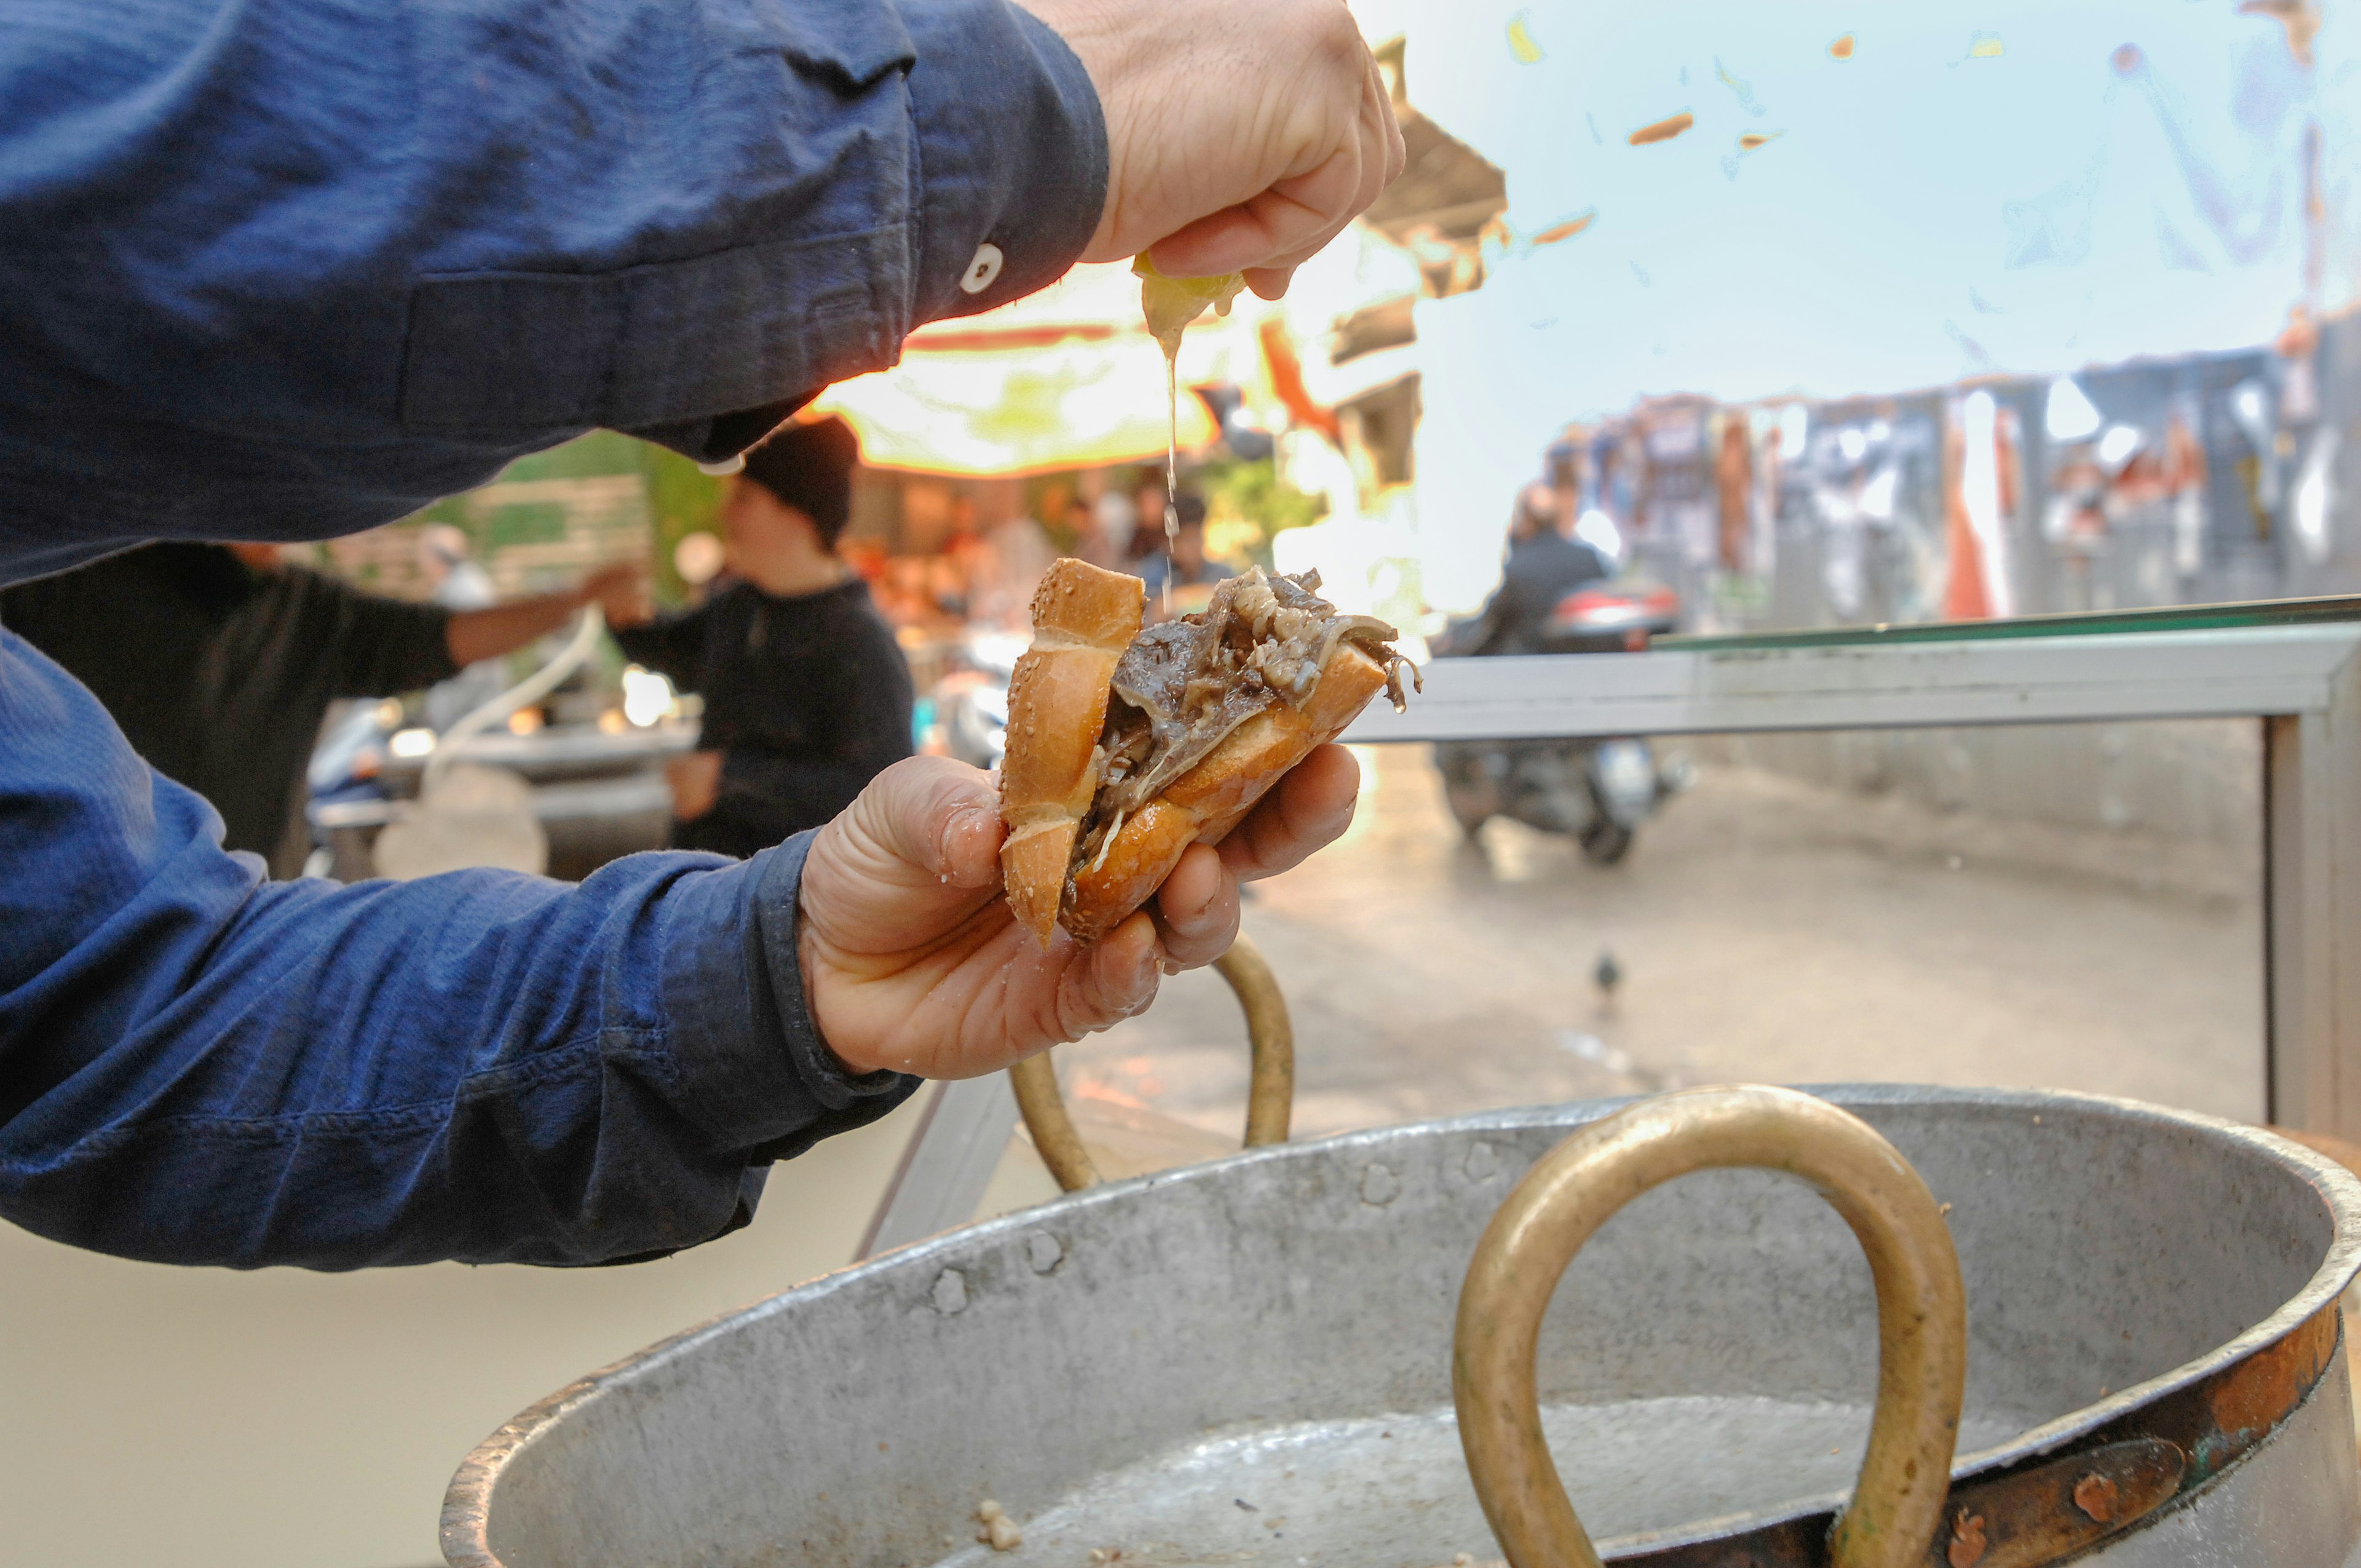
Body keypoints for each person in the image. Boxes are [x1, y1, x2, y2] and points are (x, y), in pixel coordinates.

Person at [0, 0, 1402, 1269]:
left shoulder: (844, 639)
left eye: (742, 503)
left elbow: (127, 1013)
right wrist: (1019, 118)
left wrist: (782, 975)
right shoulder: (729, 615)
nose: (722, 517)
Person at [0, 540, 646, 874]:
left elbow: (444, 641)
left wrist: (571, 601)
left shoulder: (308, 612)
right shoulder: (83, 572)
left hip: (236, 928)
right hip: (80, 908)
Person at [614, 418, 915, 858]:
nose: (726, 513)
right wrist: (623, 616)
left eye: (745, 499)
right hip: (713, 876)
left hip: (796, 898)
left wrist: (730, 781)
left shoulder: (858, 639)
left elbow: (879, 784)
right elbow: (677, 655)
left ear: (795, 516)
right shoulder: (741, 606)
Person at [1463, 478, 1614, 655]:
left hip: (1536, 668)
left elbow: (1493, 629)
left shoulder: (1520, 568)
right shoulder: (1588, 558)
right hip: (1590, 665)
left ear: (1526, 520)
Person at [1136, 491, 1229, 612]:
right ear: (1167, 541)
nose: (1193, 547)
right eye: (1185, 539)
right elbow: (1155, 612)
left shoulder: (1220, 572)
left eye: (1196, 537)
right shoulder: (1152, 573)